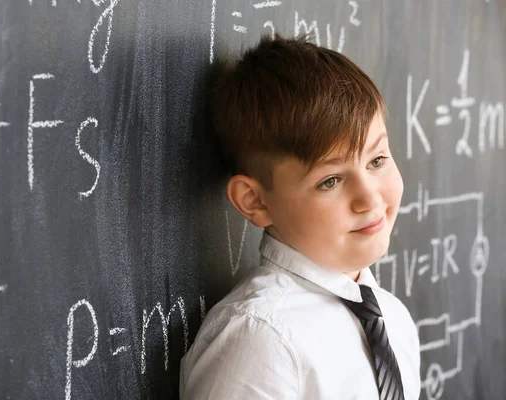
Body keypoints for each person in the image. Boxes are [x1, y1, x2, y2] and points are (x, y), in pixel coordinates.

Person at [179, 33, 421, 399]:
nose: (369, 198)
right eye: (330, 181)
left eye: (377, 160)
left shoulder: (394, 319)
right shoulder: (261, 341)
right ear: (255, 201)